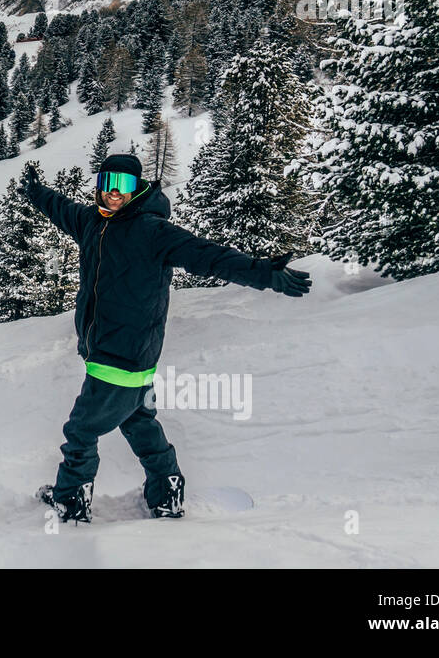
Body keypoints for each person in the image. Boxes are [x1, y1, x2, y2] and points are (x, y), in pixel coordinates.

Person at [19, 153, 311, 524]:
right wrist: (35, 192)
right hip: (131, 356)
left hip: (117, 354)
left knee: (81, 431)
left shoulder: (152, 231)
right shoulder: (92, 222)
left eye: (123, 185)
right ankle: (166, 491)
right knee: (138, 421)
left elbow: (207, 255)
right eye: (107, 183)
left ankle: (70, 501)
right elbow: (61, 208)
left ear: (137, 188)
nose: (113, 193)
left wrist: (262, 273)